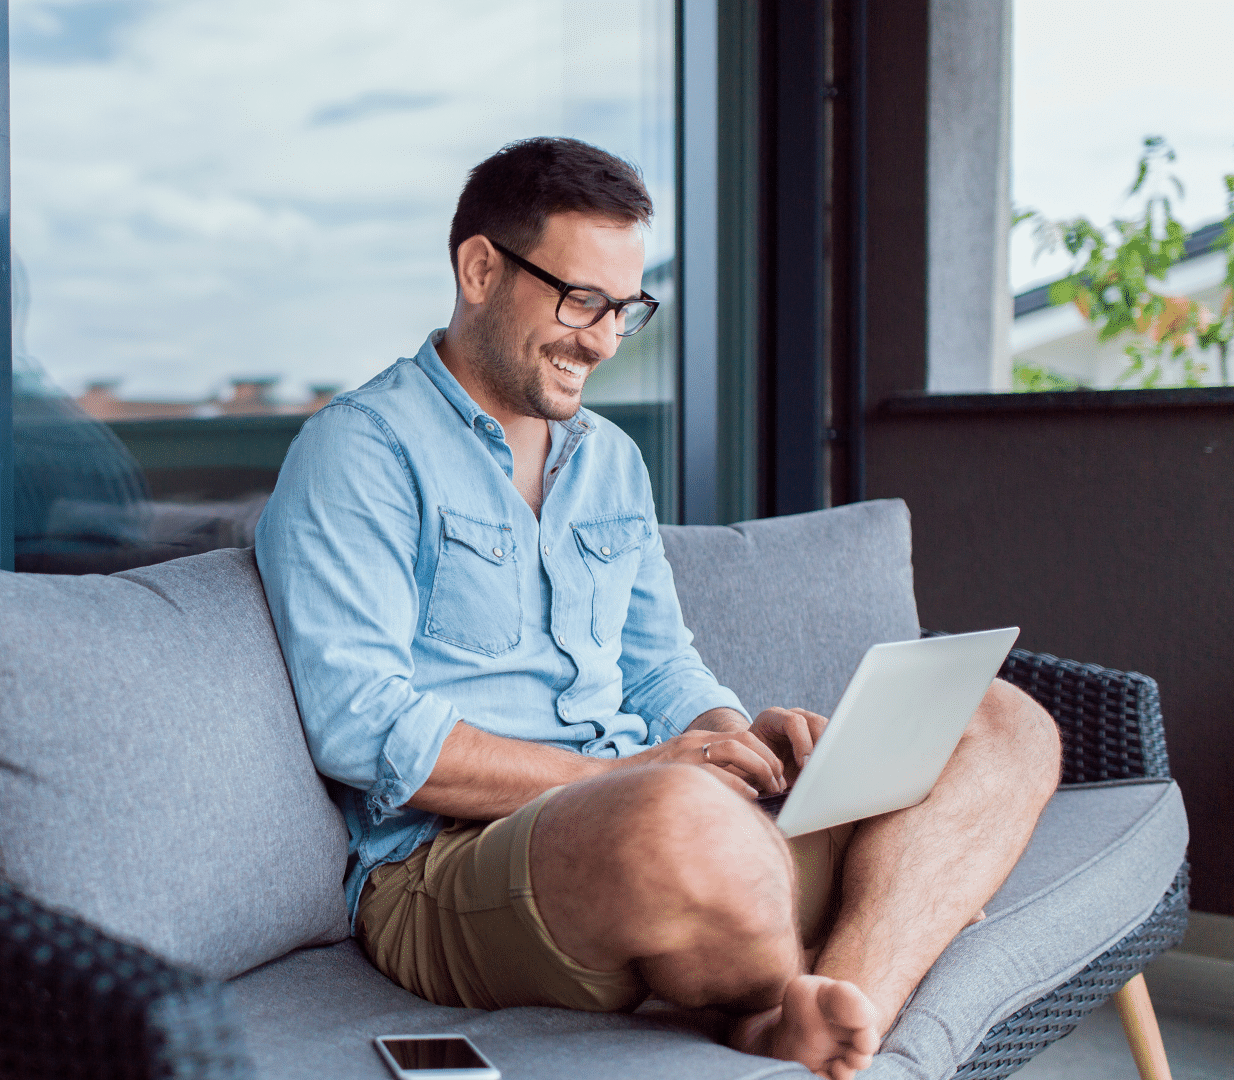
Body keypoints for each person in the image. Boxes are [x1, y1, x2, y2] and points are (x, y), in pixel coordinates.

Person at [252, 137, 1060, 1080]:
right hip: (453, 872)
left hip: (669, 823)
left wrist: (732, 740)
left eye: (624, 308)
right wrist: (637, 775)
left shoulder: (608, 459)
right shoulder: (362, 452)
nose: (599, 339)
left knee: (1005, 721)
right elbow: (363, 725)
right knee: (676, 816)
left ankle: (830, 1016)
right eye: (579, 298)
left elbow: (658, 666)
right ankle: (820, 961)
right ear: (479, 268)